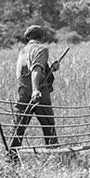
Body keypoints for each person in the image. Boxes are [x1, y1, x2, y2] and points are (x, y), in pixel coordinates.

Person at [9, 24, 59, 157]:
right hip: (38, 93)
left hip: (22, 91)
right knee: (48, 124)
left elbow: (26, 71)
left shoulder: (23, 51)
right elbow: (36, 69)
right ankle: (54, 156)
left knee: (19, 125)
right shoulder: (41, 49)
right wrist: (36, 90)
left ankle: (11, 156)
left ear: (27, 37)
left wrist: (51, 69)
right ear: (42, 37)